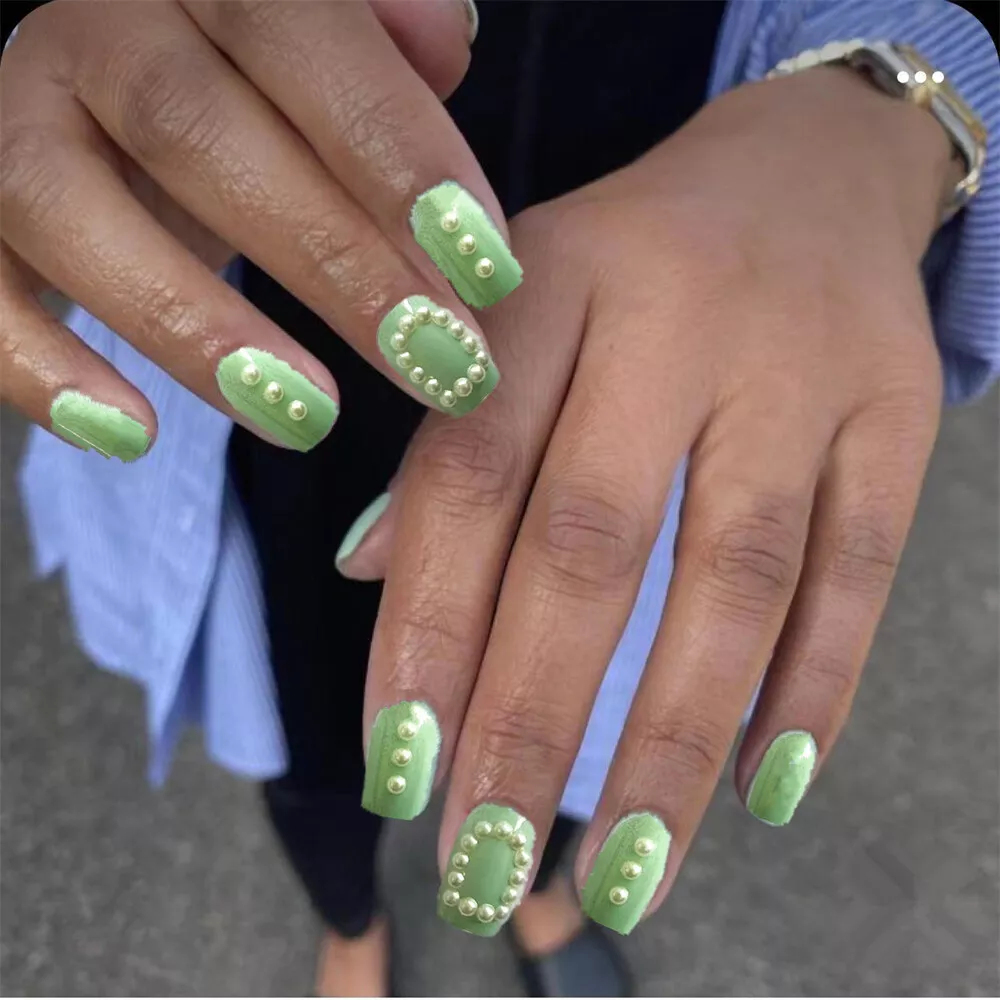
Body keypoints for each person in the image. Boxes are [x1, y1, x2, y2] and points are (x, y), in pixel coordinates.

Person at [2, 1, 997, 996]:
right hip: (272, 312)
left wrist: (883, 106)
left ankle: (532, 886)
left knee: (572, 690)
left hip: (683, 297)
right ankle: (348, 921)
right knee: (311, 714)